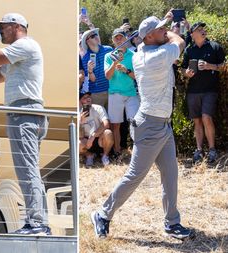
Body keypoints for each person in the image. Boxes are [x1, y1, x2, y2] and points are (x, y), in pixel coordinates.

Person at [91, 14, 194, 240]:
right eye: (159, 30)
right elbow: (180, 41)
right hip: (151, 125)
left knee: (170, 174)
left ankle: (172, 223)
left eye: (164, 29)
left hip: (161, 124)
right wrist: (170, 31)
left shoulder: (140, 54)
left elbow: (164, 41)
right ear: (148, 36)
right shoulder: (155, 57)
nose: (164, 31)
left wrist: (160, 32)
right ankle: (102, 214)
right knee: (135, 175)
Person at [0, 13, 51, 235]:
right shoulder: (16, 54)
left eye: (2, 27)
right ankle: (39, 221)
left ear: (15, 26)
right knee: (30, 169)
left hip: (24, 112)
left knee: (27, 169)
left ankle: (37, 223)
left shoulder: (25, 45)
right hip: (24, 113)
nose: (0, 31)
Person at [181, 22, 226, 165]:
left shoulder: (214, 47)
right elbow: (182, 69)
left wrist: (209, 66)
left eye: (203, 29)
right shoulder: (189, 50)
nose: (202, 31)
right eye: (199, 30)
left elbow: (224, 66)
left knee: (206, 117)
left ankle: (212, 149)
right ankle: (199, 150)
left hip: (210, 90)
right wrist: (186, 73)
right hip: (193, 91)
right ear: (192, 35)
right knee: (197, 121)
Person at [104, 28, 139, 158]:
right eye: (116, 38)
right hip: (115, 94)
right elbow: (107, 76)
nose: (119, 40)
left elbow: (137, 77)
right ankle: (117, 152)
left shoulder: (133, 55)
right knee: (116, 124)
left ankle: (138, 152)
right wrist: (115, 63)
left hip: (131, 94)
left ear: (125, 38)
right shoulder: (108, 56)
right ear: (113, 41)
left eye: (121, 37)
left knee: (135, 122)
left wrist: (126, 70)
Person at [79, 91, 114, 167]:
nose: (88, 99)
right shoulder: (79, 113)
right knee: (78, 143)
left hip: (100, 139)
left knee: (108, 133)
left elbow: (106, 124)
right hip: (87, 142)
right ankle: (89, 155)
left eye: (89, 97)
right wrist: (81, 122)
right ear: (80, 101)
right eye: (84, 98)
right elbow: (80, 136)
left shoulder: (98, 108)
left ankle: (105, 156)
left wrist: (93, 136)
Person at [81, 28, 113, 108]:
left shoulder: (108, 50)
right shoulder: (85, 58)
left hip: (112, 90)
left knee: (114, 119)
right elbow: (93, 80)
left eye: (95, 34)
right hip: (96, 94)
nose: (95, 36)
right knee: (99, 120)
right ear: (87, 41)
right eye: (92, 36)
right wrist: (90, 71)